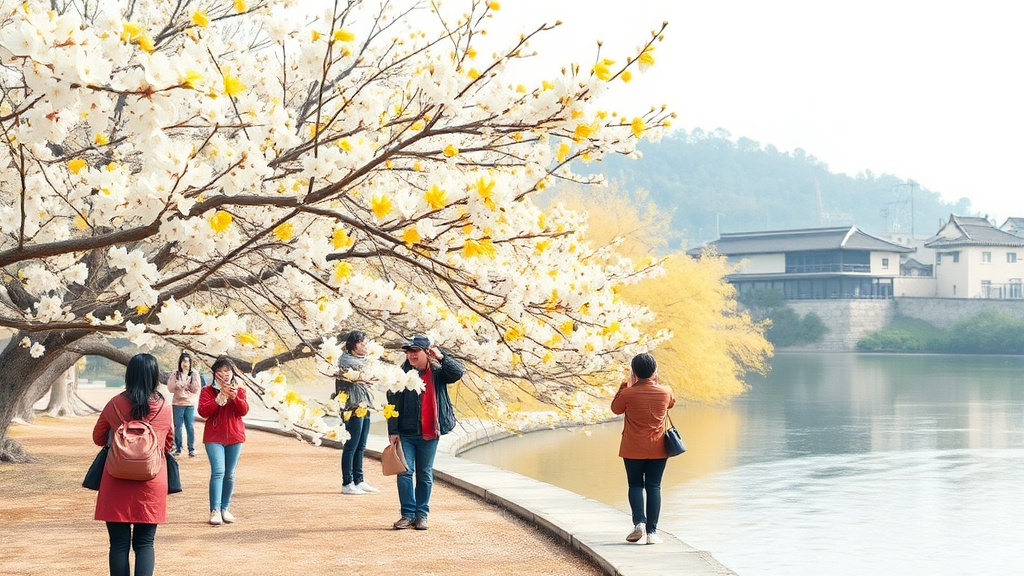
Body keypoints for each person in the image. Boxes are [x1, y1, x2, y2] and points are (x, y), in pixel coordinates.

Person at [92, 353, 174, 576]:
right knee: (145, 543)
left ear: (129, 375)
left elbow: (98, 438)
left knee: (118, 544)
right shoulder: (164, 407)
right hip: (151, 481)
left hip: (116, 479)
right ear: (154, 376)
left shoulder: (115, 403)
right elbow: (168, 443)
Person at [386, 334, 464, 530]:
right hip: (406, 433)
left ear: (426, 353)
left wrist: (441, 357)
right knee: (405, 472)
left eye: (415, 351)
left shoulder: (438, 372)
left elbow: (458, 372)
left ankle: (422, 515)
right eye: (409, 352)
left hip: (431, 432)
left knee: (425, 474)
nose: (411, 355)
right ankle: (407, 514)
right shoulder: (400, 374)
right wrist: (393, 430)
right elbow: (392, 403)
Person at [610, 352, 676, 545]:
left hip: (632, 448)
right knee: (654, 486)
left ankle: (639, 521)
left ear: (634, 372)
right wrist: (656, 382)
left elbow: (616, 408)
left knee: (636, 485)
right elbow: (670, 403)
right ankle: (652, 533)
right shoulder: (665, 391)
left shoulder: (627, 393)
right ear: (655, 371)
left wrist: (624, 386)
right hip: (658, 448)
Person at [198, 356, 249, 526]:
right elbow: (203, 412)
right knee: (218, 472)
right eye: (222, 371)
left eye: (228, 371)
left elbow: (243, 411)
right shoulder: (207, 391)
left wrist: (236, 398)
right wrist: (218, 398)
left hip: (235, 436)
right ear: (215, 373)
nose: (226, 374)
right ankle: (215, 510)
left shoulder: (239, 389)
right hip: (214, 437)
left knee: (229, 475)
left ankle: (225, 508)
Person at [336, 330, 378, 495]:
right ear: (353, 345)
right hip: (352, 407)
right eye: (362, 343)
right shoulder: (346, 361)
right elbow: (366, 371)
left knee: (361, 445)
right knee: (351, 445)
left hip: (363, 404)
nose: (365, 346)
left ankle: (358, 480)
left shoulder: (362, 360)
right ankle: (347, 482)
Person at [166, 352, 201, 457]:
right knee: (178, 427)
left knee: (190, 426)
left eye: (187, 362)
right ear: (180, 363)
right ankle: (178, 448)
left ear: (190, 363)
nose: (185, 364)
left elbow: (196, 389)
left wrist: (188, 384)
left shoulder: (194, 374)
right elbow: (170, 388)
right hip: (177, 403)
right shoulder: (175, 374)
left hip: (189, 403)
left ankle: (191, 448)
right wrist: (177, 385)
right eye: (183, 361)